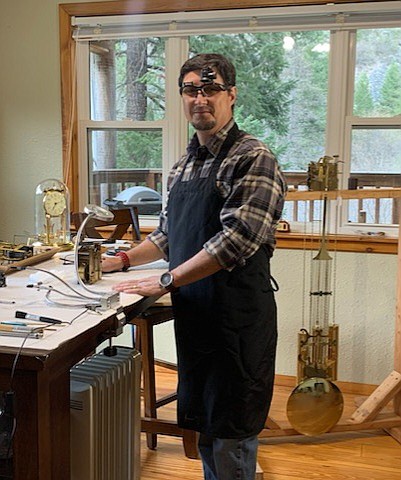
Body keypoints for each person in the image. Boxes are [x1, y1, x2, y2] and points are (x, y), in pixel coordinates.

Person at [102, 53, 287, 480]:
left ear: (231, 95)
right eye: (190, 89)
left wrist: (166, 280)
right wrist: (121, 260)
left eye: (210, 88)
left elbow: (235, 240)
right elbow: (168, 235)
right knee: (207, 422)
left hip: (237, 320)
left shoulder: (253, 157)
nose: (199, 98)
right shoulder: (185, 165)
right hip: (198, 316)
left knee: (232, 431)